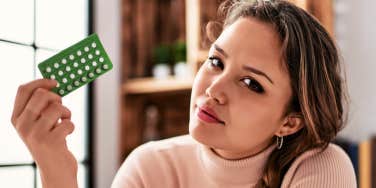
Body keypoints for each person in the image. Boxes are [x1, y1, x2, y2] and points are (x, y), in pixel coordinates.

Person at [11, 0, 357, 187]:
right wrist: (57, 173)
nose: (214, 88)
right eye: (216, 62)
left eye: (252, 83)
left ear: (290, 122)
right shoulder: (150, 167)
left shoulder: (321, 166)